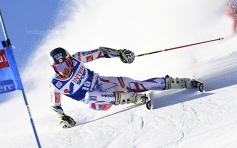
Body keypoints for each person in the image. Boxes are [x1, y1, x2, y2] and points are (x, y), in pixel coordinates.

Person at [49, 47, 199, 128]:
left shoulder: (77, 58)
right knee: (89, 97)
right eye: (60, 66)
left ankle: (180, 82)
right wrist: (63, 117)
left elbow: (100, 52)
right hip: (98, 101)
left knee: (137, 84)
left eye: (67, 63)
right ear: (55, 68)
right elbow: (55, 106)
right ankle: (131, 99)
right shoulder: (56, 85)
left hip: (103, 83)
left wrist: (119, 53)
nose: (65, 69)